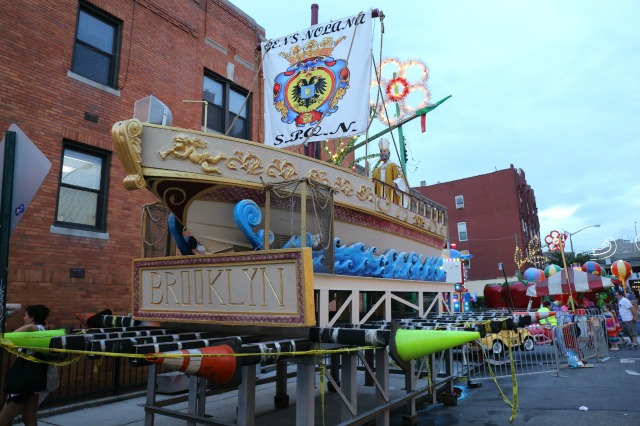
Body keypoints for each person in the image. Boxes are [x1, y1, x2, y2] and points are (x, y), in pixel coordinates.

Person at [0, 304, 50, 426]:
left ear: (32, 317)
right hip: (33, 381)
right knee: (29, 418)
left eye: (25, 315)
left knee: (3, 420)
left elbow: (28, 328)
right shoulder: (43, 331)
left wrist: (5, 337)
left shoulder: (35, 329)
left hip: (24, 381)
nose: (24, 318)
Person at [372, 137, 406, 204]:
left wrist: (396, 183)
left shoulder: (394, 166)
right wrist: (367, 172)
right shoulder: (377, 170)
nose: (382, 153)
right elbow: (372, 180)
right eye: (381, 151)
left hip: (391, 199)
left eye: (384, 151)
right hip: (380, 200)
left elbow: (401, 177)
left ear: (389, 153)